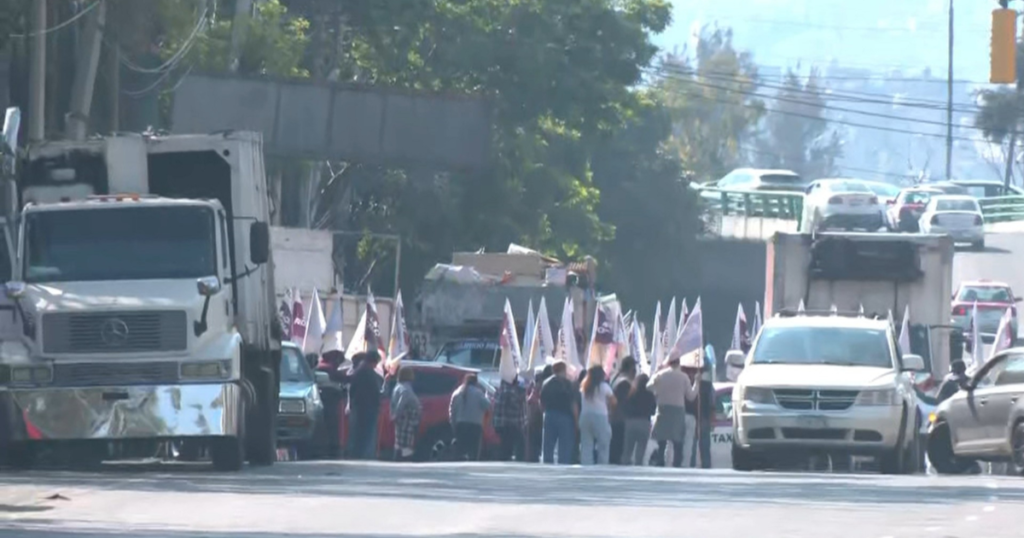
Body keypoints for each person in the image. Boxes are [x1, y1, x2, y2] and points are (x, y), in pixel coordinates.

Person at [648, 357, 698, 468]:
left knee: (662, 440)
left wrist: (657, 391)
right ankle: (677, 464)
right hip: (678, 410)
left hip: (663, 408)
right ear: (679, 364)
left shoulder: (661, 375)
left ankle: (660, 461)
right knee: (677, 441)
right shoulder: (683, 377)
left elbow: (649, 387)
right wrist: (697, 384)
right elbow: (691, 396)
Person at [347, 351, 384, 460]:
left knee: (357, 434)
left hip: (358, 407)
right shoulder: (369, 373)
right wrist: (378, 404)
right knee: (366, 434)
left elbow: (352, 390)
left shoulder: (358, 372)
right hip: (368, 409)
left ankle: (356, 454)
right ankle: (364, 455)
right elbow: (375, 392)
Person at [540, 360, 577, 464]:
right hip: (565, 417)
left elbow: (541, 401)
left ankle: (547, 466)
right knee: (564, 448)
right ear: (564, 370)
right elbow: (573, 404)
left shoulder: (546, 383)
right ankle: (563, 468)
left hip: (549, 415)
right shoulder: (568, 384)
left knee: (548, 446)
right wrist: (576, 420)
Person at [449, 373, 491, 461]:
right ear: (476, 382)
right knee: (473, 452)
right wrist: (487, 396)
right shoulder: (478, 393)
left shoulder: (457, 393)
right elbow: (487, 406)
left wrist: (453, 425)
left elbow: (452, 411)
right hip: (475, 425)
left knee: (460, 450)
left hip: (460, 424)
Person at [579, 365, 616, 465]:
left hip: (585, 415)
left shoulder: (584, 386)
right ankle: (602, 466)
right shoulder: (604, 387)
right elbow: (614, 402)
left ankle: (586, 466)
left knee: (586, 444)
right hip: (600, 416)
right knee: (603, 444)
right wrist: (609, 410)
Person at [622, 372, 656, 465]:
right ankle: (638, 468)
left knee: (627, 450)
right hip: (644, 422)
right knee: (640, 451)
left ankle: (623, 470)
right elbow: (653, 410)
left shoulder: (631, 393)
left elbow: (625, 406)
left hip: (631, 422)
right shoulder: (650, 394)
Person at [493, 374, 528, 461]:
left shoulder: (499, 391)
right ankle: (518, 461)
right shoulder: (510, 391)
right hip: (511, 423)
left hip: (501, 423)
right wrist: (522, 394)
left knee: (505, 446)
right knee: (519, 445)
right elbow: (514, 405)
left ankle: (504, 459)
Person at [390, 366, 422, 461]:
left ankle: (398, 458)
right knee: (406, 441)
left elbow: (393, 403)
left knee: (399, 440)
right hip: (407, 417)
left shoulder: (397, 387)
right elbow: (403, 400)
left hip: (401, 417)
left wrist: (393, 414)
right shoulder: (405, 388)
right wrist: (397, 414)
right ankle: (405, 459)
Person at [609, 357, 637, 465]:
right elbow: (626, 401)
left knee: (616, 447)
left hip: (616, 418)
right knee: (618, 449)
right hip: (620, 419)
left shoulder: (616, 378)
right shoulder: (624, 382)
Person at [527, 364, 554, 462]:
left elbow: (529, 399)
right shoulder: (546, 384)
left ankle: (532, 457)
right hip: (540, 413)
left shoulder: (535, 384)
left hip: (533, 413)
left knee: (533, 439)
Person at [691, 357, 715, 468]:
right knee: (703, 446)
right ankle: (705, 465)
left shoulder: (692, 384)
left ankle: (694, 465)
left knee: (692, 446)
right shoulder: (709, 386)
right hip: (702, 418)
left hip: (696, 417)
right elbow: (712, 404)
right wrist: (712, 420)